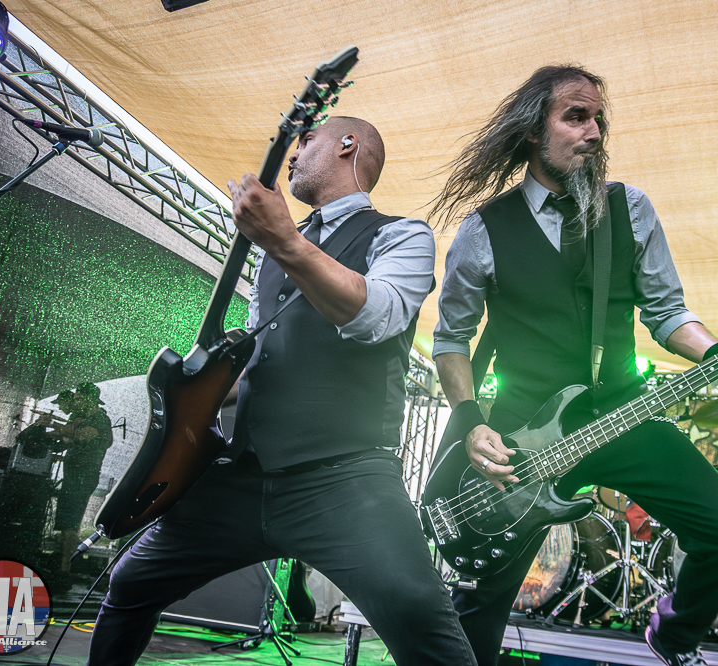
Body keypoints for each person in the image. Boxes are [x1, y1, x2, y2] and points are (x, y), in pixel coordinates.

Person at [87, 116, 477, 665]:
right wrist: (189, 394)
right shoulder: (272, 255)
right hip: (244, 477)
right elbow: (261, 362)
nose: (292, 155)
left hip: (346, 481)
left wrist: (284, 239)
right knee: (129, 585)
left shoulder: (401, 234)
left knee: (422, 621)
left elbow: (378, 316)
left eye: (307, 140)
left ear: (348, 145)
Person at [430, 65, 718, 666]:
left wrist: (716, 351)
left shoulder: (629, 208)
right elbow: (451, 340)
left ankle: (674, 634)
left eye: (598, 119)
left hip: (622, 410)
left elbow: (667, 313)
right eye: (575, 117)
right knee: (481, 599)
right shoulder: (483, 230)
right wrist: (470, 420)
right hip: (523, 428)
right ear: (533, 131)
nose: (593, 132)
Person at [50, 383, 113, 573]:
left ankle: (65, 570)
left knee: (70, 522)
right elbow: (68, 439)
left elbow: (84, 437)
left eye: (78, 398)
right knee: (67, 522)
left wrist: (55, 425)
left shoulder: (100, 419)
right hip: (73, 475)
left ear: (89, 399)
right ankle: (65, 564)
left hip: (83, 476)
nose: (74, 402)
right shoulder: (83, 419)